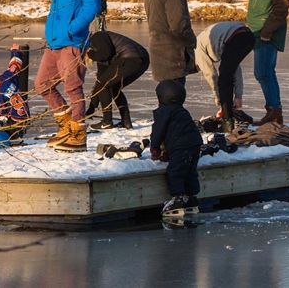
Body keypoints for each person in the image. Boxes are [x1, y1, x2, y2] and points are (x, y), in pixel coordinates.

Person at [36, 0, 102, 152]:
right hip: (55, 42)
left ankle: (78, 134)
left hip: (71, 41)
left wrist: (71, 29)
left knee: (73, 87)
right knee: (42, 84)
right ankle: (66, 127)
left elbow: (93, 4)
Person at [243, 0, 289, 126]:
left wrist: (267, 32)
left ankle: (274, 112)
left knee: (264, 72)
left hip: (267, 33)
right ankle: (273, 111)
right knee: (263, 72)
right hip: (258, 31)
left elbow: (281, 7)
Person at [150, 79, 203, 218]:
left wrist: (154, 147)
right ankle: (191, 198)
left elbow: (158, 131)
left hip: (181, 146)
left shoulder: (163, 112)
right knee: (190, 170)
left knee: (175, 171)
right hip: (195, 142)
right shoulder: (182, 111)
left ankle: (177, 199)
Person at [145, 0, 197, 87]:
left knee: (165, 97)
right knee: (174, 97)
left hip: (157, 50)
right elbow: (178, 23)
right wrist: (191, 41)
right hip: (173, 53)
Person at [196, 21, 256, 133]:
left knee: (224, 80)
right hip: (249, 37)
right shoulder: (207, 42)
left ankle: (227, 122)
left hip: (235, 38)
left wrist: (219, 97)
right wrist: (238, 95)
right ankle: (229, 114)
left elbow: (211, 74)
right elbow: (234, 69)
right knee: (227, 73)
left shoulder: (196, 49)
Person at [85, 30, 150, 130]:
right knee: (114, 87)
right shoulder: (102, 54)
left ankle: (107, 122)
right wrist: (92, 107)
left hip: (131, 57)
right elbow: (99, 81)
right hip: (142, 59)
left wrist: (90, 54)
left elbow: (105, 54)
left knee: (105, 85)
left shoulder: (97, 36)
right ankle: (126, 121)